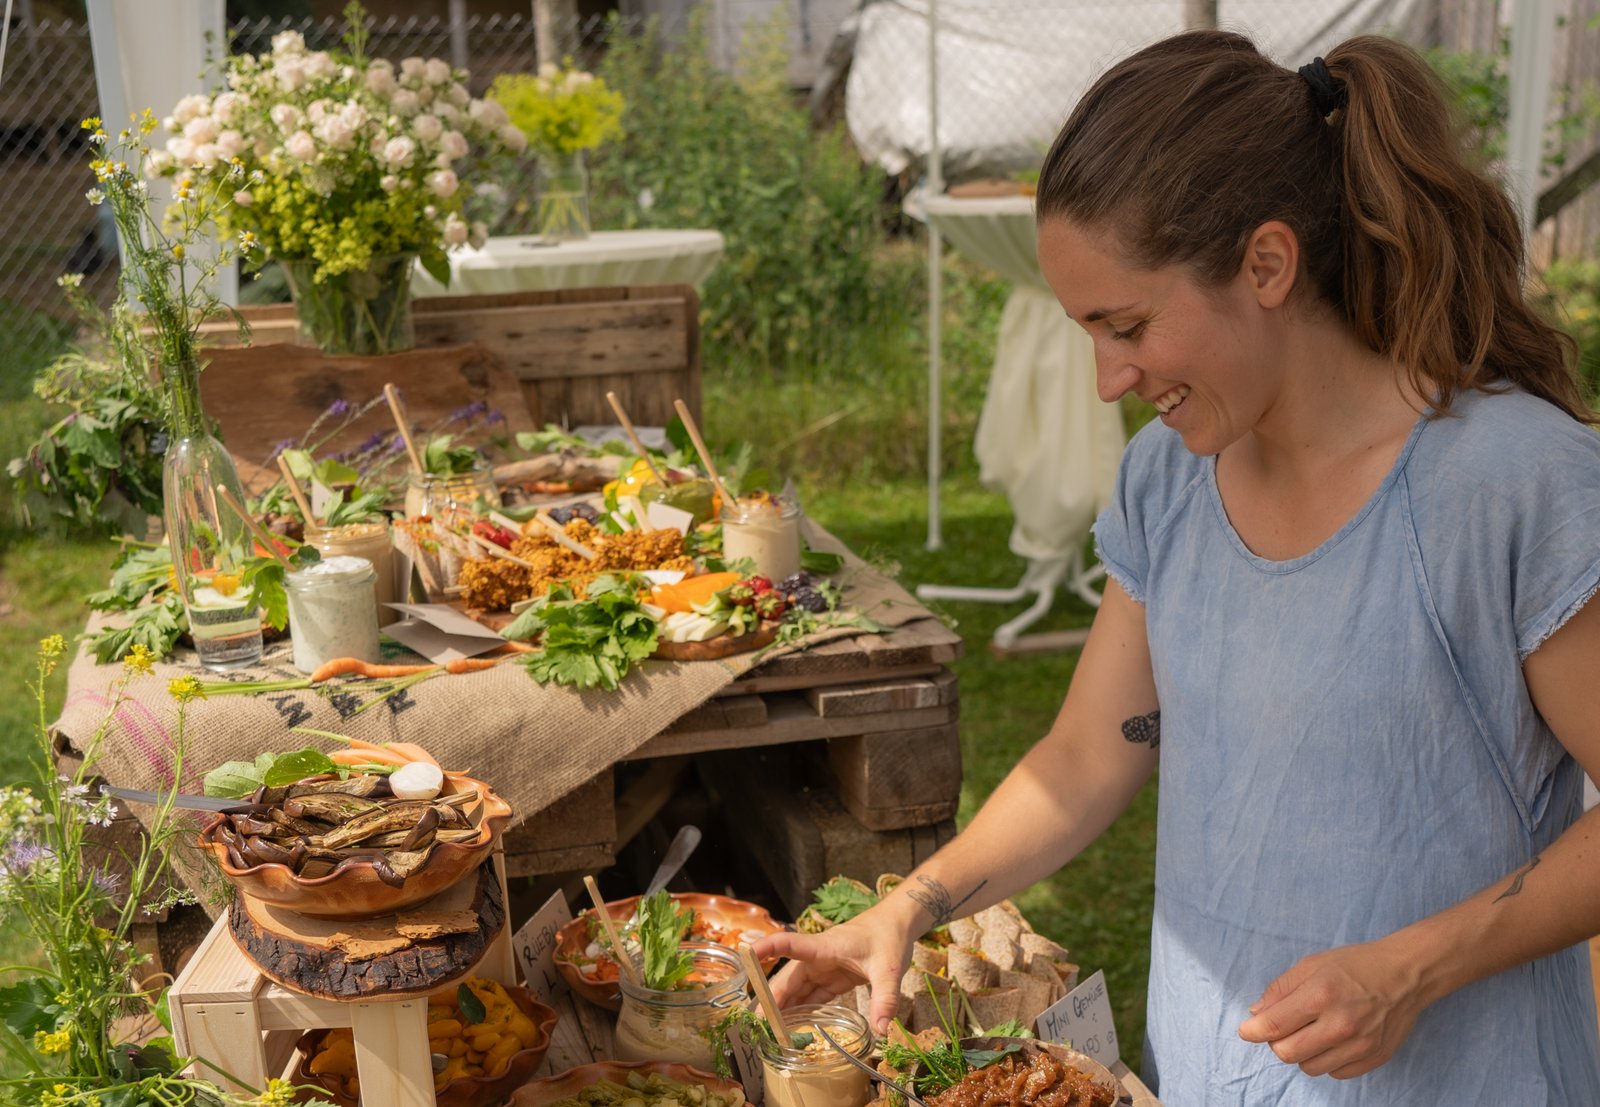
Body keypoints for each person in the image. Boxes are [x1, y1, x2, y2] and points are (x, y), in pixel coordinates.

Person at [753, 29, 1600, 1105]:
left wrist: (1406, 970)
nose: (1109, 379)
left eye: (1130, 325)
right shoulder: (1167, 479)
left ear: (1267, 264)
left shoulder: (1513, 483)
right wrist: (908, 907)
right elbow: (1088, 757)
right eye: (1089, 334)